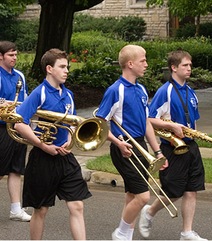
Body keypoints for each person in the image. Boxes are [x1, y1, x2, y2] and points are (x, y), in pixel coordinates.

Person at [14, 48, 92, 240]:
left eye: (68, 66)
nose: (67, 70)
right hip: (42, 158)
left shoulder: (69, 95)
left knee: (77, 205)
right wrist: (42, 145)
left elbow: (72, 123)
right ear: (49, 68)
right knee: (41, 211)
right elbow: (19, 124)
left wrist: (69, 138)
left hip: (64, 158)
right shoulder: (38, 93)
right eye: (63, 67)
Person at [96, 44, 167, 240]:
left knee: (131, 195)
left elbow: (145, 123)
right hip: (123, 146)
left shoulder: (142, 89)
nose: (146, 64)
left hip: (139, 145)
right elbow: (100, 124)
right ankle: (120, 233)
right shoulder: (115, 90)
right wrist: (117, 143)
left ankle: (126, 236)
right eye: (142, 61)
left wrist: (157, 151)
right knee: (143, 197)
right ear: (130, 64)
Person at [139, 49, 207, 240]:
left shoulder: (191, 91)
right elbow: (150, 119)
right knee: (173, 193)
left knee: (192, 190)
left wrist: (195, 134)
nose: (189, 68)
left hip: (190, 146)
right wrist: (172, 125)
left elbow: (193, 119)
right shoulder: (165, 91)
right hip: (172, 147)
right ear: (174, 67)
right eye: (185, 65)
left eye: (190, 65)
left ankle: (186, 232)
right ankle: (149, 212)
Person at [0, 41, 31, 222]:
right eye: (11, 55)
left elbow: (25, 100)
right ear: (1, 56)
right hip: (1, 127)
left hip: (17, 127)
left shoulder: (20, 76)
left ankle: (16, 210)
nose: (15, 58)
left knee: (16, 170)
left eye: (16, 54)